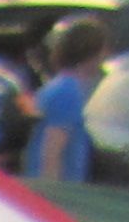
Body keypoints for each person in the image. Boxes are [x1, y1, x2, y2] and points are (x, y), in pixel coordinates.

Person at [26, 18, 109, 184]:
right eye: (103, 50)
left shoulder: (57, 85)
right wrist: (55, 196)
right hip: (59, 193)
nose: (105, 56)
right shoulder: (68, 93)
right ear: (92, 53)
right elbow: (52, 153)